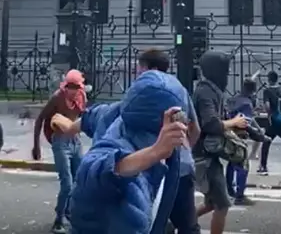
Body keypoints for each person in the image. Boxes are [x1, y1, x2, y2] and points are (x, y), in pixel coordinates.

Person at [54, 49, 203, 234]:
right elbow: (93, 168)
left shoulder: (172, 97)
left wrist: (176, 150)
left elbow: (91, 117)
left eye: (140, 70)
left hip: (176, 176)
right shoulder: (121, 130)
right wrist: (156, 151)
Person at [193, 51, 249, 234]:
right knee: (222, 204)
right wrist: (233, 123)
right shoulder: (205, 91)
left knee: (212, 203)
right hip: (204, 155)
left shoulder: (211, 89)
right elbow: (210, 123)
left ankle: (172, 225)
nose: (228, 73)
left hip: (210, 154)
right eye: (225, 69)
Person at [32, 69, 88, 233]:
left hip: (75, 141)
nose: (72, 91)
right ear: (65, 86)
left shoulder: (82, 97)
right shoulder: (57, 97)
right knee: (67, 183)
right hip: (60, 142)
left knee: (79, 180)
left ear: (80, 88)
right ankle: (58, 219)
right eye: (69, 87)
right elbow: (40, 119)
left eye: (75, 87)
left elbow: (83, 117)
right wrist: (36, 146)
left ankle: (71, 214)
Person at [225, 77, 271, 205]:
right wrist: (260, 137)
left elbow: (250, 120)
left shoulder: (234, 99)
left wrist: (259, 131)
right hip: (239, 137)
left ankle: (229, 191)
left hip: (228, 134)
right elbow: (246, 124)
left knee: (231, 164)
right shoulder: (247, 104)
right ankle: (240, 196)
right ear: (254, 90)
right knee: (242, 165)